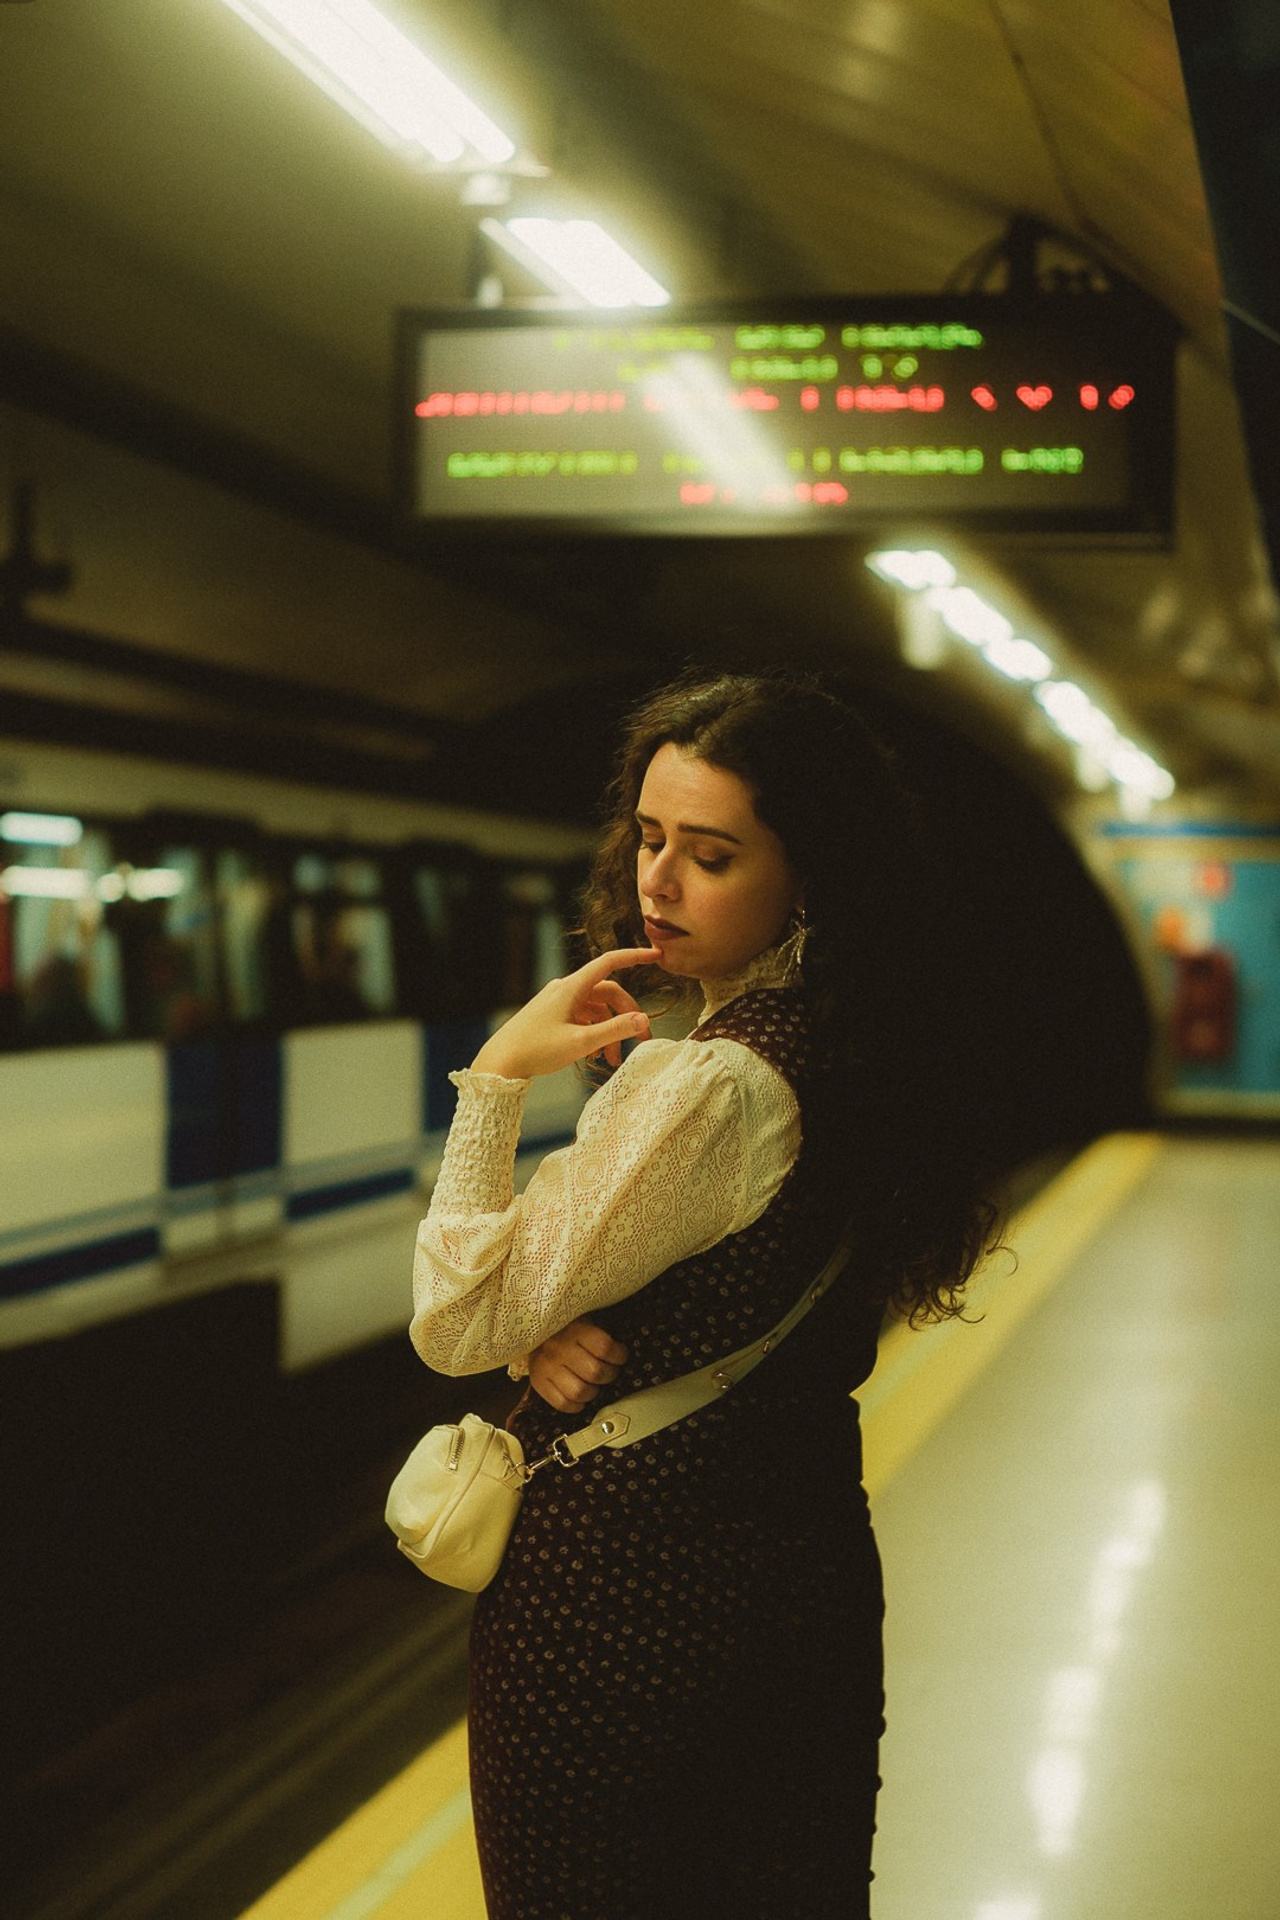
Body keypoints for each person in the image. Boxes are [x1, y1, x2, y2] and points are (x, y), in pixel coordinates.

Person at [410, 670, 1001, 1918]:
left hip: (616, 1604)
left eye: (711, 855)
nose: (658, 882)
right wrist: (548, 1329)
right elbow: (731, 1284)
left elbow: (455, 1320)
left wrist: (497, 1078)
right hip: (797, 1576)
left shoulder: (709, 1085)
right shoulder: (856, 1045)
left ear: (808, 876)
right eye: (649, 838)